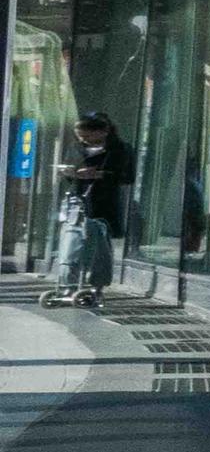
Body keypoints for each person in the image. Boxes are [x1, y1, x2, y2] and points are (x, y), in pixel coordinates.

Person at [57, 111, 130, 307]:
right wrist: (69, 173)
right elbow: (69, 175)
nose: (83, 139)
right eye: (80, 136)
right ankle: (68, 284)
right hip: (77, 201)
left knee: (99, 246)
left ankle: (97, 286)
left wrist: (98, 175)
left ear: (102, 132)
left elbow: (126, 176)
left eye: (87, 135)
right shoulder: (75, 148)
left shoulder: (119, 150)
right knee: (71, 242)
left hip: (103, 204)